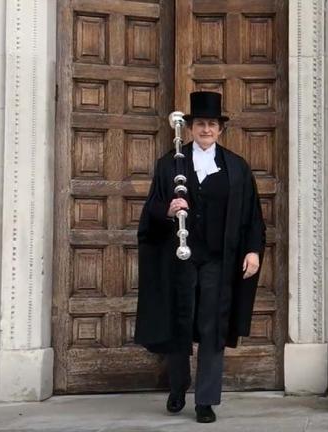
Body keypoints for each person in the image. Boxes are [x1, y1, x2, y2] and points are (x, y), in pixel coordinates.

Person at [134, 91, 265, 423]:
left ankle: (205, 399)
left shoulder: (236, 168)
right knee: (179, 323)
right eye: (200, 124)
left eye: (211, 124)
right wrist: (168, 209)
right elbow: (150, 212)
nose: (206, 130)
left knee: (212, 326)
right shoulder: (170, 165)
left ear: (220, 129)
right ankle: (178, 387)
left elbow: (252, 215)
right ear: (190, 128)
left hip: (219, 261)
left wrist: (253, 250)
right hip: (180, 259)